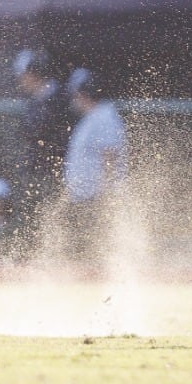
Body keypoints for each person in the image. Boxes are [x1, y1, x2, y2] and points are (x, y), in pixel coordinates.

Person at [61, 67, 127, 261]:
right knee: (83, 252)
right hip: (86, 199)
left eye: (75, 93)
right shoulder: (93, 117)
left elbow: (111, 156)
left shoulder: (104, 116)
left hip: (97, 199)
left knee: (95, 252)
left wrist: (107, 197)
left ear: (83, 93)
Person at [13, 47, 71, 229]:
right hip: (38, 171)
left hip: (54, 172)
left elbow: (49, 136)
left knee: (54, 220)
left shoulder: (58, 99)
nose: (21, 80)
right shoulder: (36, 99)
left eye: (23, 75)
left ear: (34, 73)